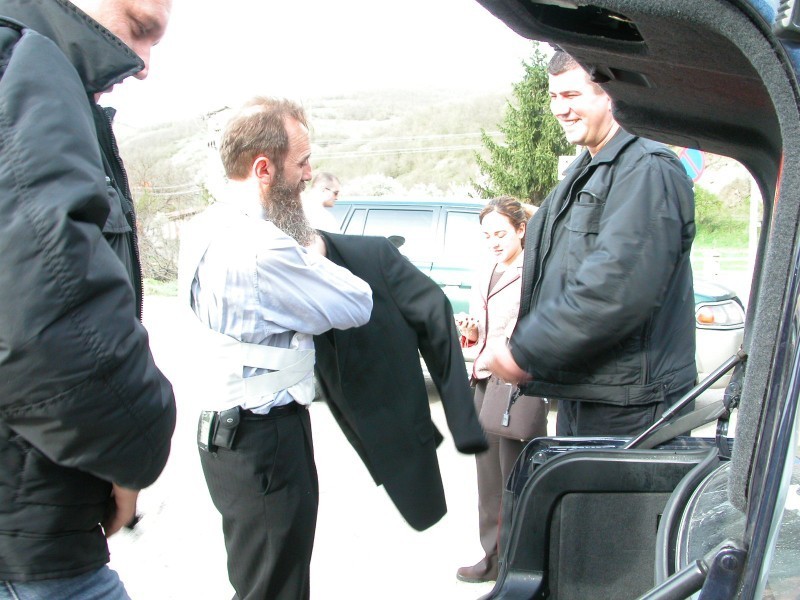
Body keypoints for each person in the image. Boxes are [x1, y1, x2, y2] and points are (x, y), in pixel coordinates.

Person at [0, 0, 177, 598]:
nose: (145, 64)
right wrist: (133, 449)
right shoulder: (19, 57)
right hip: (30, 547)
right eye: (141, 29)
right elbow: (47, 317)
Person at [179, 97, 373, 600]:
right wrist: (313, 249)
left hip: (227, 435)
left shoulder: (205, 226)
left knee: (259, 580)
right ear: (263, 169)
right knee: (276, 588)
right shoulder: (263, 248)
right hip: (266, 442)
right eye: (302, 162)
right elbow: (357, 302)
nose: (308, 174)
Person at [485, 50, 697, 436]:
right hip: (590, 389)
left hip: (632, 403)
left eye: (571, 95)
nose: (559, 109)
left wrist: (527, 350)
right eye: (553, 96)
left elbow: (617, 284)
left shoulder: (646, 169)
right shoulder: (586, 170)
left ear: (611, 96)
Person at [312, 229, 488, 532]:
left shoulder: (372, 256)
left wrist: (462, 420)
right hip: (313, 431)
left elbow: (435, 317)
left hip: (394, 428)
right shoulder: (263, 266)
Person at [454, 196, 547, 583]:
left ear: (521, 230)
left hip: (514, 385)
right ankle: (491, 556)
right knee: (488, 480)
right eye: (487, 235)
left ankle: (519, 560)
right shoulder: (486, 270)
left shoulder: (534, 272)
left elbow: (537, 327)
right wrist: (471, 331)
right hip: (483, 381)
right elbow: (482, 333)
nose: (493, 242)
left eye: (501, 234)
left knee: (516, 477)